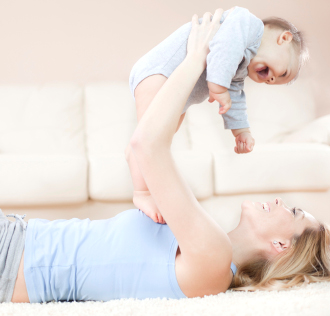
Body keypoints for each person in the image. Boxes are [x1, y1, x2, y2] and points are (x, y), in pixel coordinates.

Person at [0, 9, 330, 306]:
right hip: (2, 235)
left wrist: (196, 59)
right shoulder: (207, 241)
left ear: (282, 248)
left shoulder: (213, 260)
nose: (282, 201)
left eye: (294, 214)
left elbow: (144, 145)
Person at [128, 7, 309, 224]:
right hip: (159, 74)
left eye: (276, 81)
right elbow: (224, 49)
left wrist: (241, 131)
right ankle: (142, 193)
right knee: (150, 140)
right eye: (283, 73)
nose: (271, 81)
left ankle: (136, 165)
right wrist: (218, 88)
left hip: (176, 95)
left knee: (155, 141)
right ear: (284, 38)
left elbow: (235, 96)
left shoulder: (240, 65)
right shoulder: (246, 24)